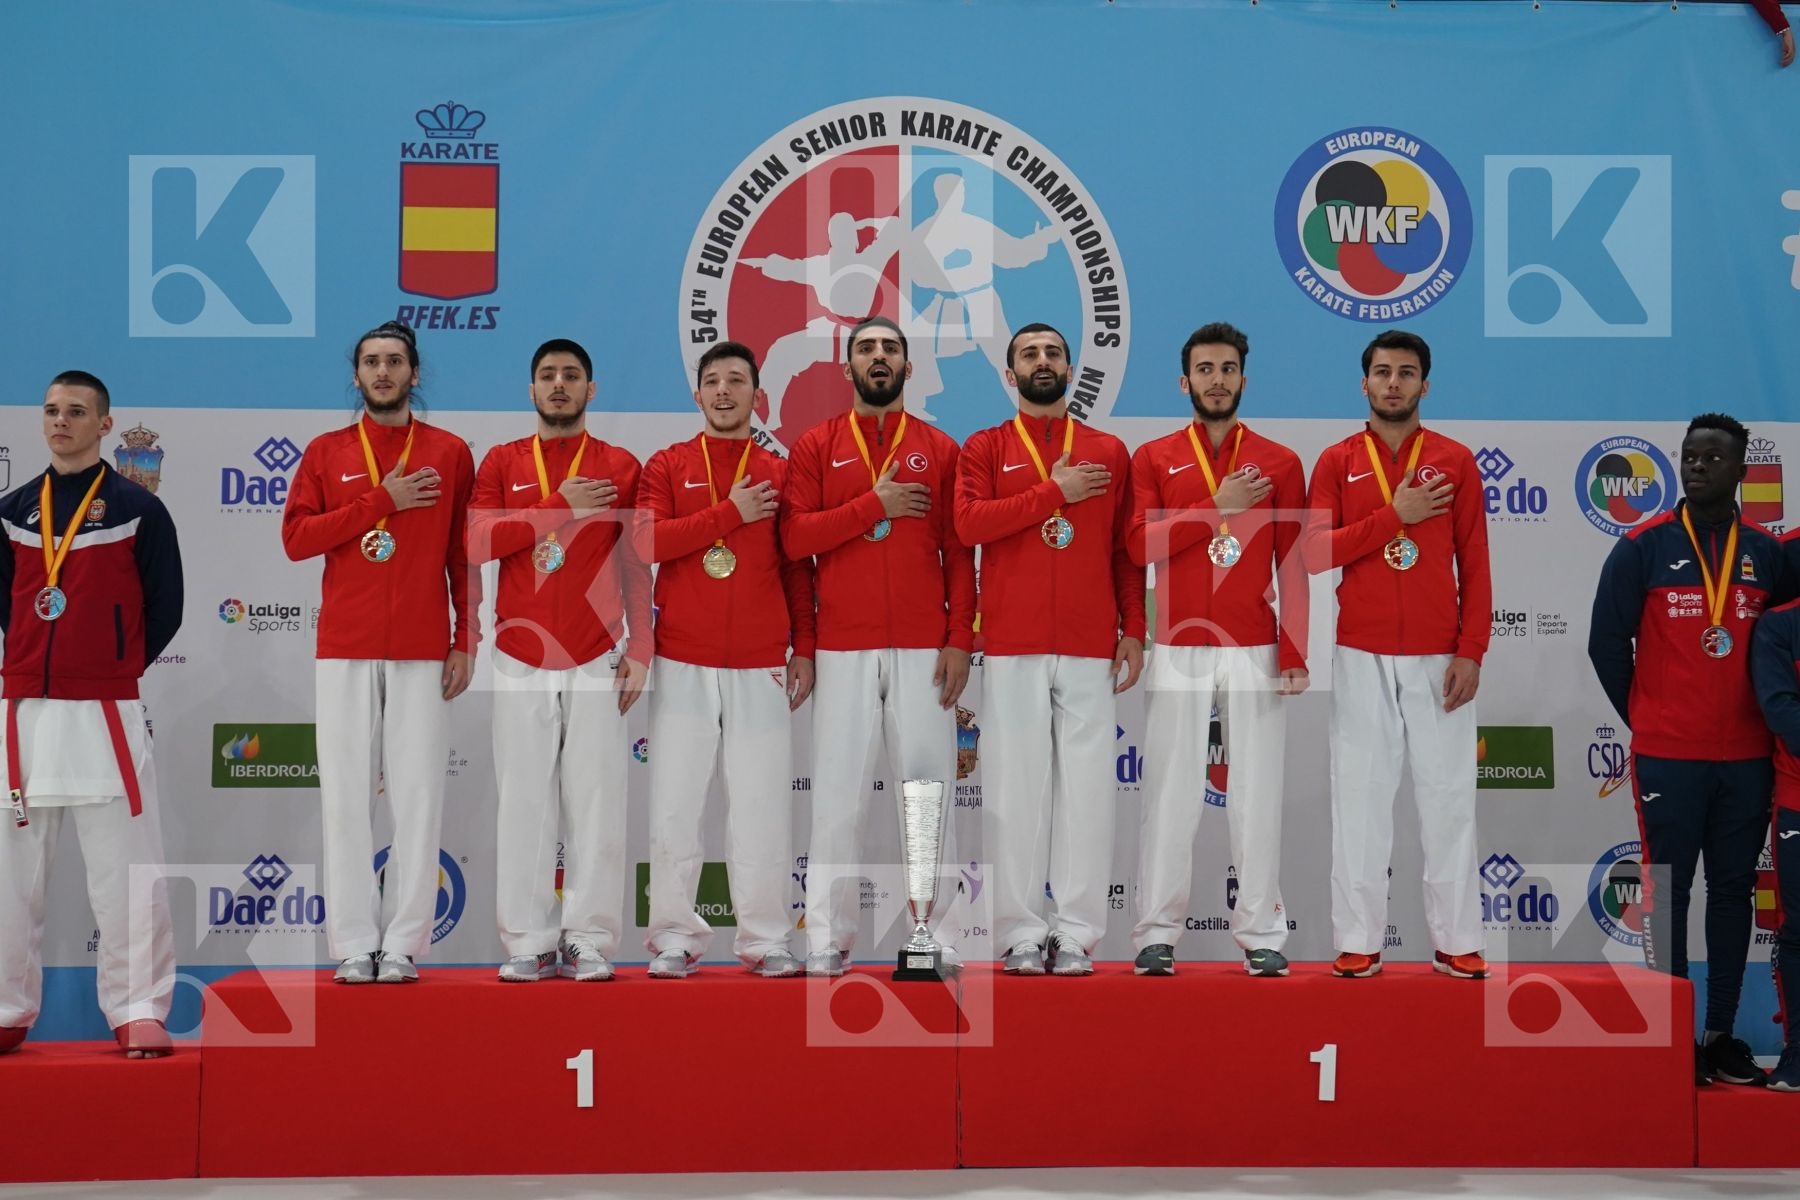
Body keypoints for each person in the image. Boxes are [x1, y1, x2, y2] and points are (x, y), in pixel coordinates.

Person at [1592, 413, 1787, 1086]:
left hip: (1747, 758)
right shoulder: (1641, 547)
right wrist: (1648, 716)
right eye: (1689, 456)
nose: (1697, 466)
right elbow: (1605, 645)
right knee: (1670, 895)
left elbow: (1787, 649)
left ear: (1740, 471)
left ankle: (1721, 1036)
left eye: (1712, 458)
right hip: (1668, 757)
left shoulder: (1769, 554)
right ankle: (1673, 1039)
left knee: (1733, 894)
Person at [282, 321, 479, 984]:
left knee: (419, 796)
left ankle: (402, 944)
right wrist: (379, 501)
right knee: (344, 797)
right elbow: (298, 539)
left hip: (423, 647)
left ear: (414, 374)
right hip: (345, 645)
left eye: (395, 361)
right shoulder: (326, 450)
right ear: (357, 374)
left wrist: (466, 639)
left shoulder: (449, 452)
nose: (384, 372)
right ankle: (352, 943)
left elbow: (463, 556)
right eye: (371, 362)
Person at [782, 315, 975, 977]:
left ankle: (931, 935)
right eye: (866, 348)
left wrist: (958, 639)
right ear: (847, 366)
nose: (879, 357)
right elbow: (796, 542)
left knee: (925, 794)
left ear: (909, 366)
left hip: (924, 647)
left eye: (891, 348)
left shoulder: (939, 448)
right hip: (841, 646)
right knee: (836, 797)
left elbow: (959, 554)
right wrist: (875, 505)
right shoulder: (815, 445)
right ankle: (826, 940)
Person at [953, 322, 1145, 976]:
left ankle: (1078, 934)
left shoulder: (1109, 450)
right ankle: (1021, 934)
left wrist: (1135, 627)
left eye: (1052, 353)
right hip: (1011, 641)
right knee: (1015, 793)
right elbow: (969, 524)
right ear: (1009, 375)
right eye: (1029, 354)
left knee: (1088, 794)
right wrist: (1051, 494)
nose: (1042, 362)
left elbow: (1126, 551)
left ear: (1070, 367)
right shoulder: (985, 446)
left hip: (1091, 642)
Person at [0, 371, 182, 1058]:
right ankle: (6, 1006)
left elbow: (165, 608)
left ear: (105, 424)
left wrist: (108, 660)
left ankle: (138, 1007)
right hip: (23, 710)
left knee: (126, 868)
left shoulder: (138, 508)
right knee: (9, 871)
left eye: (76, 412)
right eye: (50, 411)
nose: (60, 422)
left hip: (104, 708)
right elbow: (9, 607)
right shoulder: (13, 509)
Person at [1302, 329, 1489, 982]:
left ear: (1424, 385)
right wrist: (1395, 514)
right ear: (1364, 382)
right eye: (1381, 372)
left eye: (1406, 373)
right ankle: (1357, 938)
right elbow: (1315, 552)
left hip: (1440, 656)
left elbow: (1477, 562)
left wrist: (1473, 650)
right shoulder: (1335, 461)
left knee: (1449, 800)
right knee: (1359, 800)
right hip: (1360, 653)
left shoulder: (1457, 461)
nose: (1392, 383)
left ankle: (1458, 939)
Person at [1125, 323, 1307, 978]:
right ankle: (1155, 933)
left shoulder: (1281, 461)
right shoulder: (1154, 457)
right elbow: (1138, 547)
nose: (1217, 380)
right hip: (1178, 641)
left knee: (1256, 791)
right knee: (1170, 791)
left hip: (1255, 643)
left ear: (1243, 379)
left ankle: (1262, 931)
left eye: (1228, 369)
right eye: (1205, 369)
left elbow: (1294, 562)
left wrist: (1294, 648)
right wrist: (1215, 505)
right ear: (1185, 381)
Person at [467, 338, 648, 983]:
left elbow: (636, 562)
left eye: (572, 375)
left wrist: (642, 650)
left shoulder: (621, 464)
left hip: (597, 654)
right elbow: (477, 541)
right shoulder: (503, 461)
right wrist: (558, 508)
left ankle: (589, 938)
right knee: (525, 801)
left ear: (591, 390)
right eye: (547, 375)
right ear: (531, 389)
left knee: (598, 800)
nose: (560, 385)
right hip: (520, 655)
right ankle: (529, 940)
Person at [637, 342, 815, 979]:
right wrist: (728, 513)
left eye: (736, 381)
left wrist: (806, 648)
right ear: (697, 396)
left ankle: (766, 938)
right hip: (684, 657)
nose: (723, 391)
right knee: (676, 807)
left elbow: (797, 564)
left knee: (762, 806)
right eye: (712, 381)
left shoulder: (782, 468)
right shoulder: (667, 463)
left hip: (761, 659)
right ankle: (675, 937)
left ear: (756, 395)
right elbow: (647, 542)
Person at [1752, 593, 1800, 1092]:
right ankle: (1799, 1054)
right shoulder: (1780, 627)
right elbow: (1780, 710)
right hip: (1797, 799)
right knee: (1798, 933)